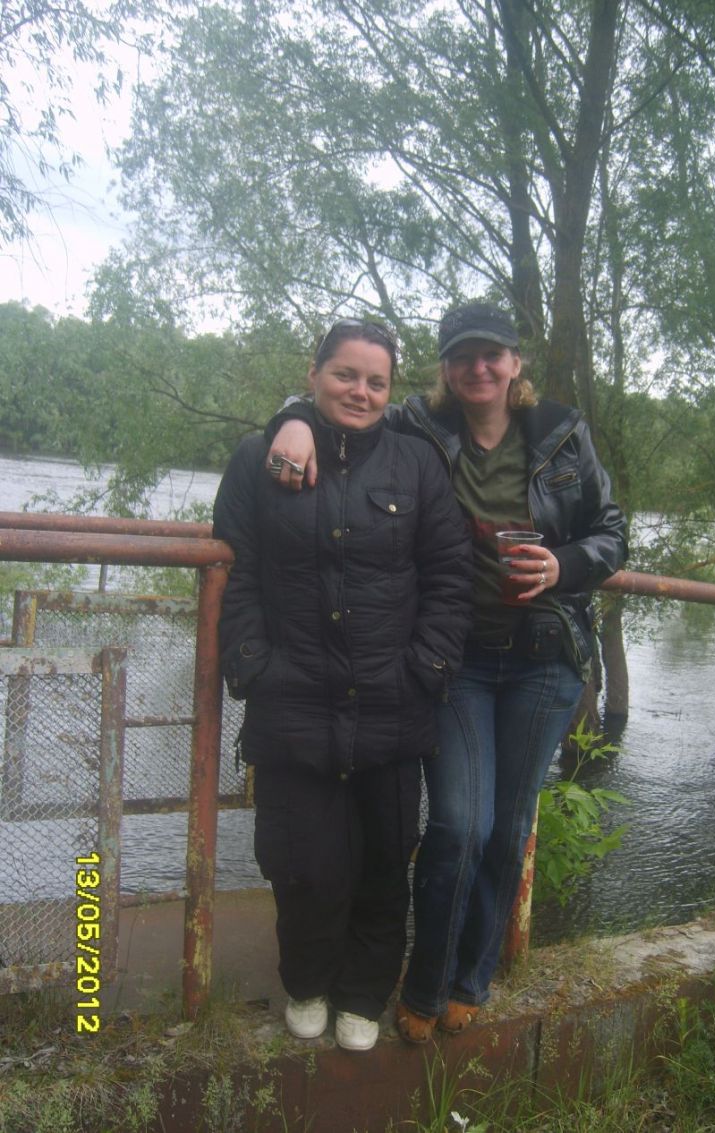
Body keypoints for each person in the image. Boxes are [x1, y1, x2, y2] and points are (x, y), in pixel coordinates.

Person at [265, 302, 627, 1043]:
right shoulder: (418, 425)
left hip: (544, 660)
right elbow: (346, 406)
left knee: (508, 829)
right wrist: (293, 417)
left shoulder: (562, 432)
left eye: (493, 354)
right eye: (463, 356)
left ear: (516, 364)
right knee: (460, 824)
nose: (478, 368)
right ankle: (424, 984)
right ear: (445, 368)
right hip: (458, 656)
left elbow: (613, 533)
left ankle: (470, 978)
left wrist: (563, 564)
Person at [213, 319, 472, 1052]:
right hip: (293, 702)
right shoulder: (259, 459)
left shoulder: (417, 464)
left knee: (385, 863)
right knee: (302, 863)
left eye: (376, 381)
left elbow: (450, 576)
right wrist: (254, 664)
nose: (360, 391)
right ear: (314, 374)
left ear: (390, 391)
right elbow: (235, 572)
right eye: (345, 375)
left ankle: (363, 994)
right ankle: (307, 983)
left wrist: (424, 668)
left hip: (392, 703)